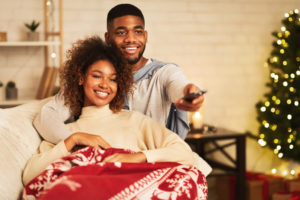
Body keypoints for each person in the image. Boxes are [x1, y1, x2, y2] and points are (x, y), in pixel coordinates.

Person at [22, 36, 208, 185]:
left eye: (112, 79)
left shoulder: (135, 121)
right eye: (97, 76)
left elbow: (184, 154)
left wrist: (138, 158)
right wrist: (75, 139)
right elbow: (30, 176)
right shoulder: (65, 132)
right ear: (80, 78)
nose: (105, 84)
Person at [33, 3, 205, 144]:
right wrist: (76, 140)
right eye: (121, 33)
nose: (130, 39)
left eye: (137, 32)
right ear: (108, 38)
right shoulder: (94, 79)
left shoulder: (164, 73)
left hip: (151, 159)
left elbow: (179, 86)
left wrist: (188, 93)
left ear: (145, 36)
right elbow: (47, 116)